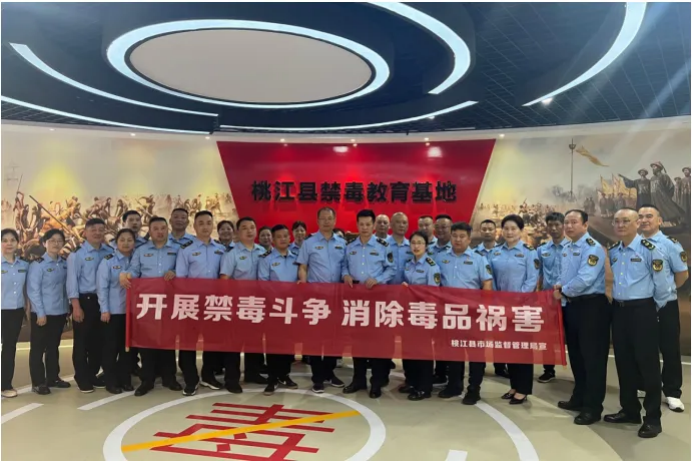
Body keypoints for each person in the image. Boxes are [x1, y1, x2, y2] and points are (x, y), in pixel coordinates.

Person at [605, 207, 670, 438]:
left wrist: (651, 310)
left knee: (648, 365)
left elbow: (663, 287)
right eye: (616, 221)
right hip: (619, 311)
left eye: (625, 221)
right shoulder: (614, 251)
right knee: (624, 363)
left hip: (643, 311)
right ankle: (630, 410)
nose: (620, 225)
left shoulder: (650, 250)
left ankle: (652, 418)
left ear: (637, 224)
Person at [552, 210, 611, 425]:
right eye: (566, 222)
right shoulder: (567, 247)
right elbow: (564, 275)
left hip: (592, 308)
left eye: (574, 222)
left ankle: (593, 408)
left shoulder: (593, 248)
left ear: (585, 225)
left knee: (593, 360)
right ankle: (579, 398)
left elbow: (586, 279)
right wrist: (559, 287)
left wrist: (563, 291)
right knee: (577, 356)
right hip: (572, 306)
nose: (568, 226)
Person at [120, 216, 182, 396]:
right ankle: (147, 380)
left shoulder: (177, 249)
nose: (160, 232)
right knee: (146, 342)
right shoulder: (141, 250)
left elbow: (183, 270)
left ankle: (169, 378)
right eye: (156, 229)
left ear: (167, 229)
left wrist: (175, 272)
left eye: (163, 228)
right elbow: (134, 270)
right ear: (150, 231)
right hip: (147, 302)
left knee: (167, 341)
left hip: (169, 302)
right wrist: (126, 275)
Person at [637, 205, 689, 412]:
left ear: (659, 220)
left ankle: (672, 391)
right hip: (641, 305)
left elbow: (682, 275)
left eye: (649, 216)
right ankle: (645, 384)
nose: (644, 220)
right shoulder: (633, 244)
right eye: (640, 216)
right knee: (643, 347)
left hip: (666, 304)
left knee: (669, 348)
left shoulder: (670, 245)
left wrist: (666, 292)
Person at [434, 222, 493, 405]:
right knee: (453, 351)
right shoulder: (441, 258)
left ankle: (474, 389)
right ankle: (454, 385)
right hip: (450, 314)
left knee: (476, 354)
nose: (457, 240)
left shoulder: (478, 259)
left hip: (472, 314)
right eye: (455, 236)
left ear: (469, 239)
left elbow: (487, 284)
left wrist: (483, 309)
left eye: (462, 236)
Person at [342, 209, 395, 399]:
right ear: (357, 225)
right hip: (357, 300)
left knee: (377, 342)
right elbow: (344, 265)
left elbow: (391, 269)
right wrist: (345, 275)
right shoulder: (350, 246)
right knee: (358, 341)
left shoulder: (383, 245)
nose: (364, 228)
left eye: (368, 224)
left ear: (373, 226)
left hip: (377, 299)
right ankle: (358, 380)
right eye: (361, 224)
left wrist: (378, 279)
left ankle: (377, 382)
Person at [488, 215, 539, 405]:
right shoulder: (495, 252)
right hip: (501, 307)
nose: (509, 232)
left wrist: (517, 300)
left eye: (513, 228)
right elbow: (491, 278)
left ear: (521, 231)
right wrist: (497, 299)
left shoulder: (529, 252)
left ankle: (523, 389)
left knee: (523, 349)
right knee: (508, 348)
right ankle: (514, 385)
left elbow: (532, 279)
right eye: (506, 228)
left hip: (522, 307)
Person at [176, 211, 227, 396]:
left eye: (208, 223)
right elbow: (180, 278)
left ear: (213, 225)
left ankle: (208, 375)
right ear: (194, 226)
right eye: (201, 223)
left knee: (212, 341)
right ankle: (191, 379)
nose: (205, 227)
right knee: (188, 342)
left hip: (213, 302)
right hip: (192, 302)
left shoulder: (221, 249)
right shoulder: (186, 249)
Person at [297, 207, 347, 393]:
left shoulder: (342, 243)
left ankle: (329, 372)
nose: (326, 222)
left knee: (335, 338)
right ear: (317, 221)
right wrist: (304, 284)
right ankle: (317, 377)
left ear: (335, 221)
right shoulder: (309, 243)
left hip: (337, 297)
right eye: (323, 218)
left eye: (330, 218)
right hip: (316, 298)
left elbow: (345, 266)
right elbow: (303, 267)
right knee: (315, 339)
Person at [220, 217, 268, 387]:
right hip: (238, 304)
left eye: (252, 227)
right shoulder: (232, 254)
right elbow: (224, 279)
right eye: (245, 228)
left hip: (257, 304)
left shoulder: (263, 252)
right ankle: (231, 379)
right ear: (238, 232)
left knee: (254, 341)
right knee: (234, 343)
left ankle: (252, 373)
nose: (249, 231)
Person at [67, 218, 113, 393]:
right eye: (93, 229)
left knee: (98, 341)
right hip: (85, 301)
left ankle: (92, 373)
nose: (97, 233)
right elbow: (72, 282)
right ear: (85, 232)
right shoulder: (77, 255)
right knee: (82, 342)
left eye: (101, 229)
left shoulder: (109, 252)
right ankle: (81, 377)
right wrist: (76, 306)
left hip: (104, 301)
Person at [258, 224, 300, 395]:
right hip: (273, 307)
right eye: (279, 236)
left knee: (288, 342)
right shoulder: (266, 259)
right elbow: (263, 283)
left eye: (285, 236)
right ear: (273, 240)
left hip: (291, 307)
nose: (283, 239)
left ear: (290, 238)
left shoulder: (296, 258)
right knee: (273, 343)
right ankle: (272, 378)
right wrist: (278, 300)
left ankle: (285, 375)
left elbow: (300, 281)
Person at [27, 229, 70, 395]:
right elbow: (33, 290)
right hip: (42, 314)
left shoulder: (64, 263)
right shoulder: (38, 265)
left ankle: (53, 378)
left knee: (53, 347)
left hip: (59, 312)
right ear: (44, 243)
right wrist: (40, 313)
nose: (56, 243)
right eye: (52, 240)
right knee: (38, 348)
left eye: (59, 240)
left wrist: (67, 309)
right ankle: (38, 382)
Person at [400, 231, 441, 401]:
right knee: (408, 348)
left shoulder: (431, 266)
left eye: (420, 243)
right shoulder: (408, 264)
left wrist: (412, 292)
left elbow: (433, 292)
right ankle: (411, 381)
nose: (416, 246)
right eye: (413, 243)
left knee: (422, 351)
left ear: (426, 246)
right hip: (408, 312)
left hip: (424, 312)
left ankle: (424, 387)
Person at [97, 229, 136, 395]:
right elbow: (102, 287)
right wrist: (104, 309)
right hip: (113, 312)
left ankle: (125, 379)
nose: (126, 243)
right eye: (122, 240)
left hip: (132, 313)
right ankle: (111, 381)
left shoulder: (137, 259)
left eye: (129, 240)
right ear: (116, 242)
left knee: (127, 349)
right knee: (111, 349)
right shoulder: (108, 261)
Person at [536, 212, 569, 384]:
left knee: (572, 337)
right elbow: (539, 274)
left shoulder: (572, 248)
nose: (554, 228)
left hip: (569, 299)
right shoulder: (542, 250)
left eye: (557, 225)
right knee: (547, 337)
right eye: (551, 225)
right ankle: (548, 370)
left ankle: (579, 372)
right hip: (548, 300)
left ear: (564, 225)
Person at [475, 219, 509, 379]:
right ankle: (479, 366)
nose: (487, 232)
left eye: (490, 229)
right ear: (480, 231)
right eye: (484, 229)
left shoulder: (503, 251)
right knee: (480, 335)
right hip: (479, 301)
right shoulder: (474, 252)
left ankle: (500, 366)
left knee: (499, 334)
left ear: (496, 232)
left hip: (499, 300)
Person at [1, 228, 30, 398]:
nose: (9, 243)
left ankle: (5, 385)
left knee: (9, 348)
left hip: (15, 312)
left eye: (12, 240)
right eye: (5, 240)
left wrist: (28, 307)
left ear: (18, 243)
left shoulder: (24, 265)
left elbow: (28, 289)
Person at [429, 214, 453, 384]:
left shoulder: (456, 249)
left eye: (445, 227)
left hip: (452, 303)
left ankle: (452, 374)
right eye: (438, 227)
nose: (441, 230)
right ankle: (439, 372)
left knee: (451, 340)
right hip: (434, 302)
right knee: (438, 339)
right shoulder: (429, 249)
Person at [386, 212, 412, 286]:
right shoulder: (383, 245)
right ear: (391, 224)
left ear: (407, 226)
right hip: (386, 288)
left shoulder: (412, 247)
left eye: (404, 223)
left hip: (407, 288)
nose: (401, 225)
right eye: (398, 222)